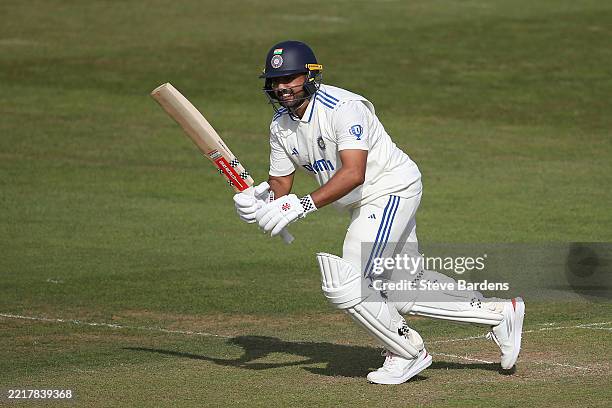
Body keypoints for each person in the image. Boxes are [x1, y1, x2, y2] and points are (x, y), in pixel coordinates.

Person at [233, 40, 525, 385]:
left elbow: (354, 172)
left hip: (389, 189)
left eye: (290, 78)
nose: (282, 87)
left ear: (310, 76)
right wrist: (259, 200)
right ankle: (500, 314)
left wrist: (303, 203)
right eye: (276, 80)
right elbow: (279, 186)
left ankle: (407, 352)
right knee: (402, 289)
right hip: (364, 200)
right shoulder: (280, 125)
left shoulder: (344, 107)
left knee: (349, 280)